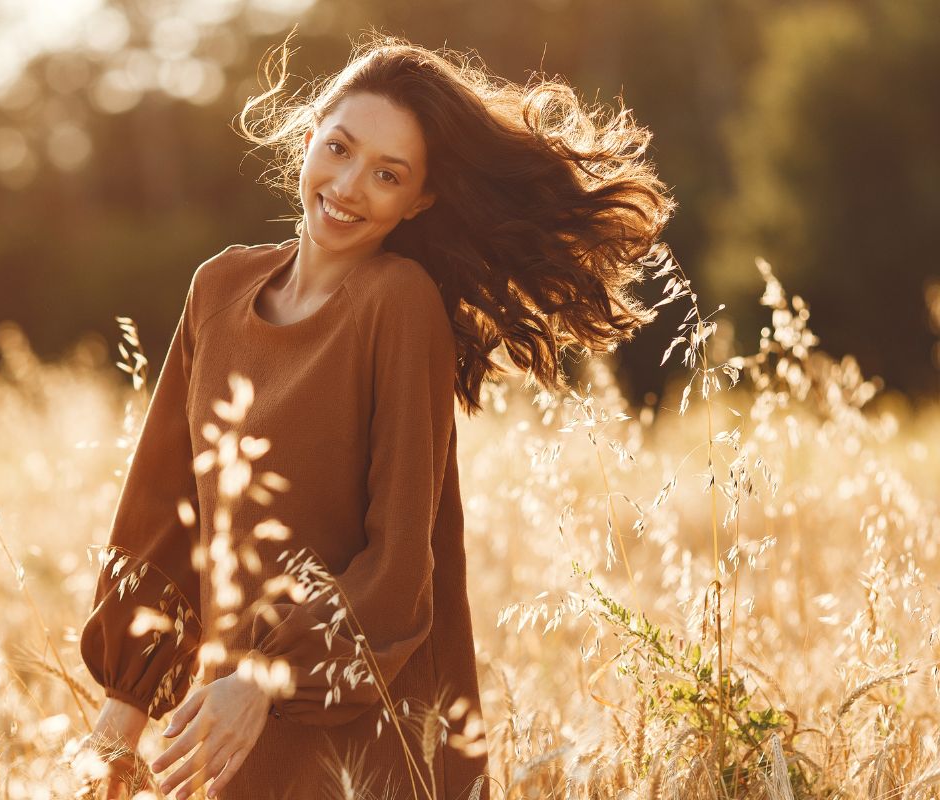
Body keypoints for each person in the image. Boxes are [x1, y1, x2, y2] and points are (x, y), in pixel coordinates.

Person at [78, 28, 675, 800]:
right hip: (225, 734)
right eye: (340, 149)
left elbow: (398, 566)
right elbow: (165, 517)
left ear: (419, 200)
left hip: (366, 733)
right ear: (309, 136)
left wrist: (265, 677)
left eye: (387, 174)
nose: (350, 186)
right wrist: (120, 716)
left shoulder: (399, 304)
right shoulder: (216, 289)